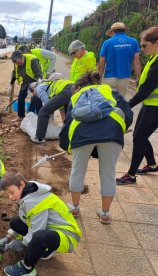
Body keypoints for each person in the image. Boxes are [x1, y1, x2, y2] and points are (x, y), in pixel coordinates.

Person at [59, 72, 133, 224]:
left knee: (77, 171)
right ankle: (105, 213)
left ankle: (74, 208)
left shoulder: (76, 97)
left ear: (78, 86)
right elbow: (129, 115)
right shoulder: (110, 92)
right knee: (108, 173)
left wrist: (67, 146)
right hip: (113, 132)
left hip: (82, 134)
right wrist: (119, 129)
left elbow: (67, 124)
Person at [0, 171, 81, 276]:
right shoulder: (28, 190)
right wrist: (7, 238)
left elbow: (36, 230)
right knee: (15, 222)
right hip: (51, 228)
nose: (10, 197)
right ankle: (44, 249)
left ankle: (27, 267)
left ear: (21, 184)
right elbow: (25, 217)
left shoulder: (34, 202)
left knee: (39, 236)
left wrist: (21, 243)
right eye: (7, 194)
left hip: (67, 235)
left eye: (12, 192)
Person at [116, 26, 158, 184]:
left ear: (156, 43)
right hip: (150, 104)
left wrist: (127, 105)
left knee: (139, 137)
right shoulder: (154, 57)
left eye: (144, 45)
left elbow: (147, 88)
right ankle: (152, 164)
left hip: (155, 107)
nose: (141, 49)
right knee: (139, 136)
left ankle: (131, 175)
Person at [98, 22, 141, 98]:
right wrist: (139, 78)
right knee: (120, 102)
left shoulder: (107, 43)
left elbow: (101, 63)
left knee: (108, 102)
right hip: (124, 78)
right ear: (124, 31)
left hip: (109, 77)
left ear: (112, 31)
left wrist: (99, 78)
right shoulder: (133, 42)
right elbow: (136, 62)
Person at [29, 73, 74, 143]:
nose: (35, 95)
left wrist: (49, 117)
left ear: (33, 89)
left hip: (65, 91)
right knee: (69, 115)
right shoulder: (48, 84)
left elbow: (47, 104)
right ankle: (68, 136)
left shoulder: (39, 88)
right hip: (74, 89)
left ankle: (39, 138)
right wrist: (51, 117)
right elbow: (60, 108)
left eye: (33, 93)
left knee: (42, 112)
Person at [10, 50, 43, 122]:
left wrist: (37, 88)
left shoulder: (32, 60)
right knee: (21, 98)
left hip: (36, 81)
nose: (20, 64)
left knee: (37, 99)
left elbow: (39, 76)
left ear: (22, 56)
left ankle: (40, 118)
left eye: (20, 61)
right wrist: (11, 83)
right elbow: (15, 73)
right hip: (26, 82)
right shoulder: (16, 63)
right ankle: (20, 116)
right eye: (17, 63)